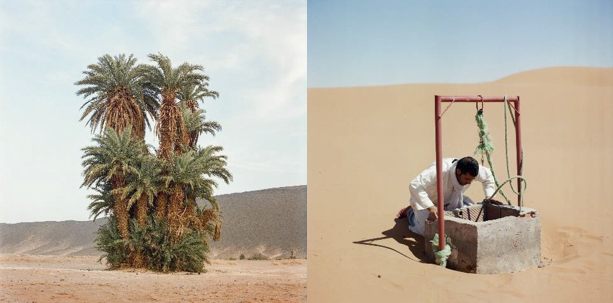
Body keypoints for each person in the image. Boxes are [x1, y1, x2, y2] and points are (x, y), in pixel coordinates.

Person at [397, 156, 496, 236]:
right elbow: (415, 185)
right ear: (458, 172)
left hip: (454, 198)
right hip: (429, 202)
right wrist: (431, 208)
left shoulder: (473, 170)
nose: (469, 182)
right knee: (428, 231)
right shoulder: (440, 170)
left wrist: (489, 196)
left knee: (470, 217)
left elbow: (488, 177)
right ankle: (411, 213)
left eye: (471, 180)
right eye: (466, 179)